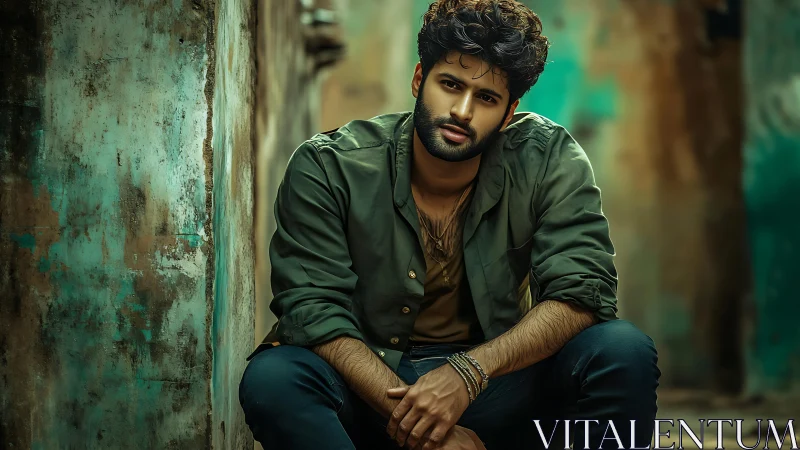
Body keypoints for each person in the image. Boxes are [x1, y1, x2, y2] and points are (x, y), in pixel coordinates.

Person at [239, 1, 660, 449]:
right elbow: (312, 310)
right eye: (450, 85)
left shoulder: (548, 159)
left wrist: (469, 373)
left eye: (486, 98)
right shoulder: (328, 166)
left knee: (621, 350)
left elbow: (583, 292)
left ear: (509, 112)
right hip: (369, 388)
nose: (461, 111)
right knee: (274, 378)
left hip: (498, 382)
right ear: (420, 79)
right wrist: (429, 429)